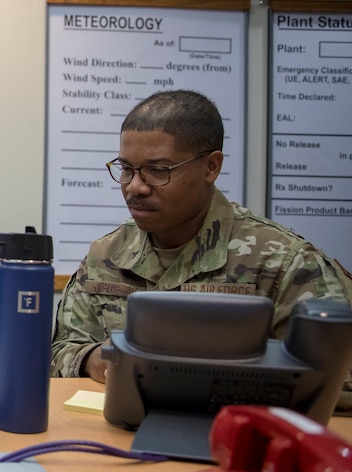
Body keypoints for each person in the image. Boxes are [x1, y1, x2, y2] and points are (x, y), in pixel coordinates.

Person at [50, 90, 352, 407]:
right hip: (117, 436)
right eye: (126, 168)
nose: (135, 186)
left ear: (211, 167)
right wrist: (95, 359)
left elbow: (339, 383)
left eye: (158, 170)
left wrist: (227, 384)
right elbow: (60, 352)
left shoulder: (282, 261)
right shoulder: (106, 255)